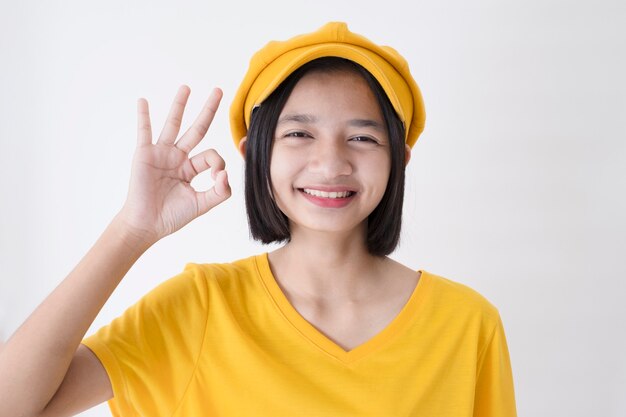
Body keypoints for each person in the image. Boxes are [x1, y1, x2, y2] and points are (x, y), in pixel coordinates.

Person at [0, 22, 517, 416]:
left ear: (398, 160)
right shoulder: (201, 307)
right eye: (299, 134)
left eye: (362, 137)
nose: (331, 163)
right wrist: (131, 231)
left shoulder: (468, 325)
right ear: (256, 152)